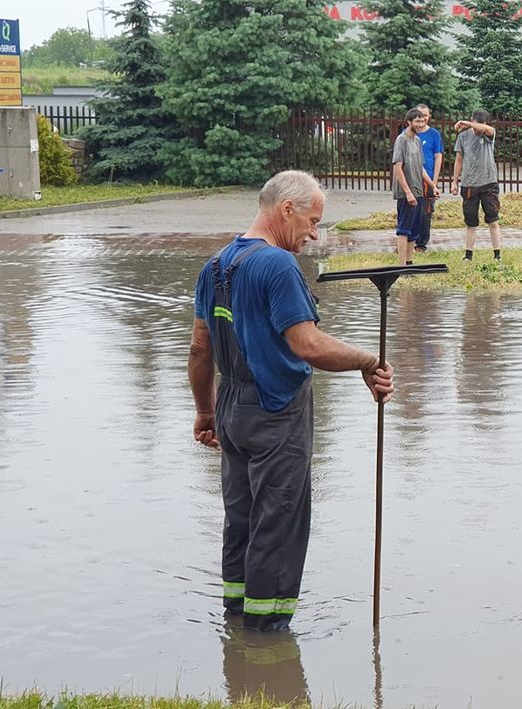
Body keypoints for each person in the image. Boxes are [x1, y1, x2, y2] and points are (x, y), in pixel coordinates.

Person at [188, 170, 394, 631]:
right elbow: (308, 344)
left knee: (240, 520)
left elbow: (201, 349)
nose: (314, 233)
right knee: (277, 526)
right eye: (313, 220)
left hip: (232, 410)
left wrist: (205, 412)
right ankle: (267, 642)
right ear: (286, 210)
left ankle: (236, 624)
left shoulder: (216, 265)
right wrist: (367, 360)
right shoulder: (277, 265)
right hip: (276, 411)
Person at [451, 109, 502, 262]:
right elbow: (459, 159)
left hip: (489, 183)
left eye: (480, 123)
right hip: (469, 184)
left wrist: (466, 123)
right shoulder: (463, 137)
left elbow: (488, 130)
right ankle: (468, 255)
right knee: (471, 222)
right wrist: (454, 181)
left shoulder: (488, 135)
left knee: (493, 220)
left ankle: (497, 255)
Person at [392, 108, 434, 265]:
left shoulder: (417, 140)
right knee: (404, 229)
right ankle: (402, 265)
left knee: (414, 231)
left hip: (418, 191)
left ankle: (409, 264)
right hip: (406, 193)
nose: (420, 124)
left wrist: (431, 185)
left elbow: (420, 167)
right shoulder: (401, 140)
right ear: (409, 122)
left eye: (422, 121)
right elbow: (397, 167)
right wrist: (407, 192)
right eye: (417, 121)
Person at [413, 104, 444, 254]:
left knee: (426, 212)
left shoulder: (434, 134)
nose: (423, 118)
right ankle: (408, 240)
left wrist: (435, 181)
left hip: (429, 179)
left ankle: (421, 244)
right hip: (412, 178)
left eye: (425, 115)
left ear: (429, 116)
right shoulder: (409, 134)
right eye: (420, 115)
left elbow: (438, 156)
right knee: (411, 210)